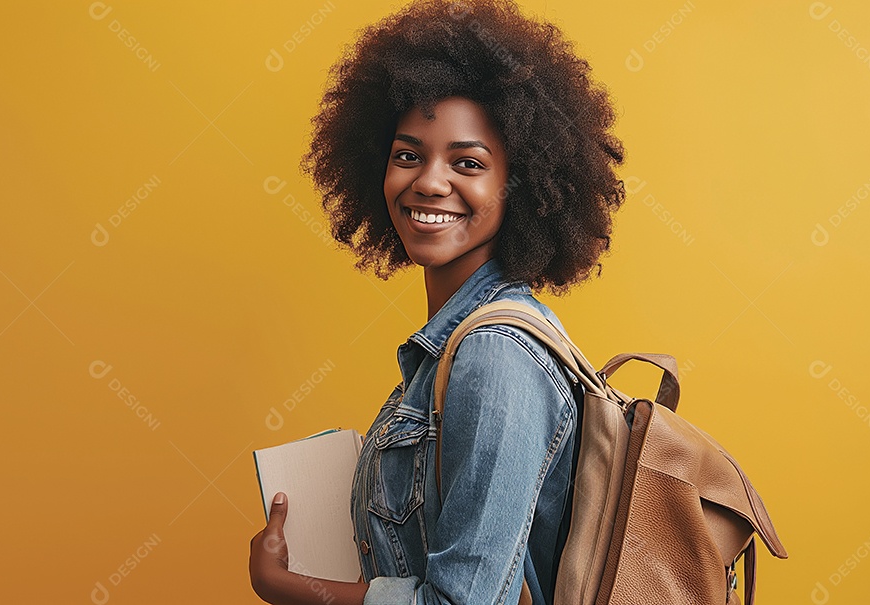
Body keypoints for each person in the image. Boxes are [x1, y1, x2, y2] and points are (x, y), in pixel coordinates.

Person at [249, 0, 625, 603]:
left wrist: (291, 587)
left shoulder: (494, 357)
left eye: (467, 162)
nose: (428, 181)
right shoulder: (445, 354)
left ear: (521, 185)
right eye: (407, 155)